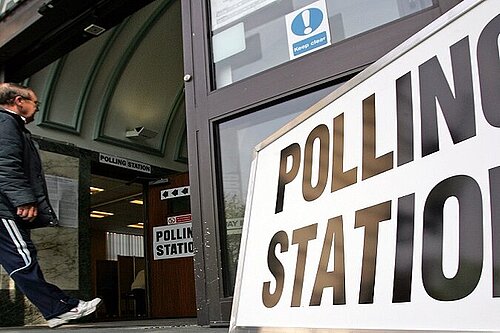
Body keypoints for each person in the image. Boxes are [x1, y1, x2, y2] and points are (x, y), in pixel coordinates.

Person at [0, 83, 101, 328]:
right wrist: (24, 199)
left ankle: (60, 307)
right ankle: (60, 308)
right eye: (35, 102)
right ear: (18, 101)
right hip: (3, 208)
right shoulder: (5, 123)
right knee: (22, 259)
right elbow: (4, 165)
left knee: (20, 259)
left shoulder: (11, 125)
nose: (36, 107)